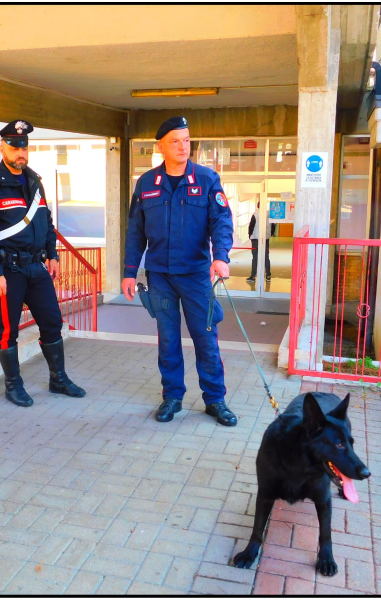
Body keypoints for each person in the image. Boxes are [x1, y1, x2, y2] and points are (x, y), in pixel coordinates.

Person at [122, 116, 237, 427]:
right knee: (168, 339)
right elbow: (135, 231)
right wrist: (130, 271)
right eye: (175, 141)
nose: (183, 146)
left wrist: (221, 256)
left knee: (206, 337)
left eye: (186, 140)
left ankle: (215, 399)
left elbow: (221, 222)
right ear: (161, 146)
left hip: (197, 275)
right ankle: (172, 396)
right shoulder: (146, 184)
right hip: (159, 277)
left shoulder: (207, 179)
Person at [0, 119, 85, 407]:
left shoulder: (34, 181)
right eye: (14, 146)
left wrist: (53, 253)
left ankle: (58, 379)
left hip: (36, 267)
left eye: (24, 146)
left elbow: (45, 221)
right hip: (7, 271)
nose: (21, 152)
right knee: (9, 329)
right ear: (3, 147)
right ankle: (13, 385)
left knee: (52, 322)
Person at [246, 202, 273, 283]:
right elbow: (273, 226)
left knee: (255, 258)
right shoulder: (269, 214)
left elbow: (251, 226)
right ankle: (268, 275)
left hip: (256, 239)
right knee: (266, 257)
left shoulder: (256, 214)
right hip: (265, 238)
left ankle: (253, 276)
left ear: (257, 206)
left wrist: (250, 235)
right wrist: (269, 235)